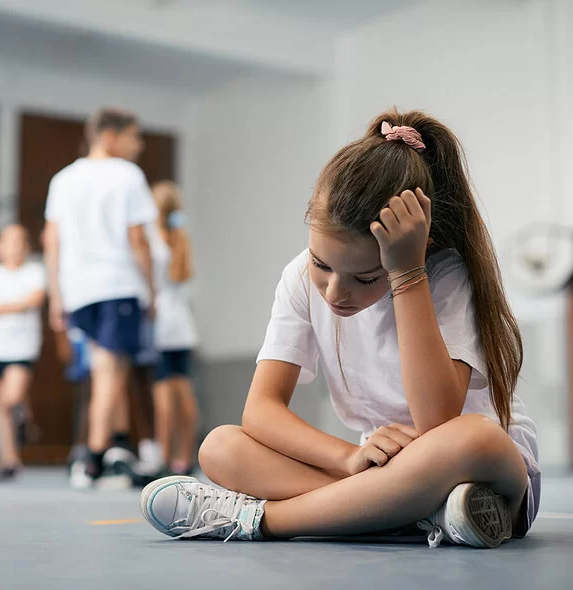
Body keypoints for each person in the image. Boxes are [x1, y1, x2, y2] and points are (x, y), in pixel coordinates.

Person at [139, 109, 540, 549]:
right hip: (381, 469)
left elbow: (438, 421)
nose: (334, 292)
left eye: (366, 278)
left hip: (479, 467)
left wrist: (407, 274)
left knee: (473, 437)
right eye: (320, 264)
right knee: (220, 447)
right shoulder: (296, 278)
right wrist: (347, 457)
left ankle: (264, 519)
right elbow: (261, 410)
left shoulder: (443, 274)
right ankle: (418, 513)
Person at [43, 107, 156, 488]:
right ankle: (91, 458)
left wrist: (57, 295)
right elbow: (138, 239)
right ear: (110, 136)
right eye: (134, 137)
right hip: (117, 284)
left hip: (78, 290)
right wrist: (152, 290)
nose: (138, 146)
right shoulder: (127, 175)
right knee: (110, 370)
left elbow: (51, 240)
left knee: (110, 367)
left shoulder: (63, 179)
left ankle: (119, 448)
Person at [0, 224, 45, 480]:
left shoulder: (34, 272)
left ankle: (24, 414)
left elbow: (35, 300)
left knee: (11, 397)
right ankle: (9, 458)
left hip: (22, 346)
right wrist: (18, 305)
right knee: (1, 407)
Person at [149, 181, 199, 476]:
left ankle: (163, 460)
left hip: (161, 326)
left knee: (163, 398)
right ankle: (183, 458)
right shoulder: (181, 239)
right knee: (184, 394)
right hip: (183, 327)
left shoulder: (153, 240)